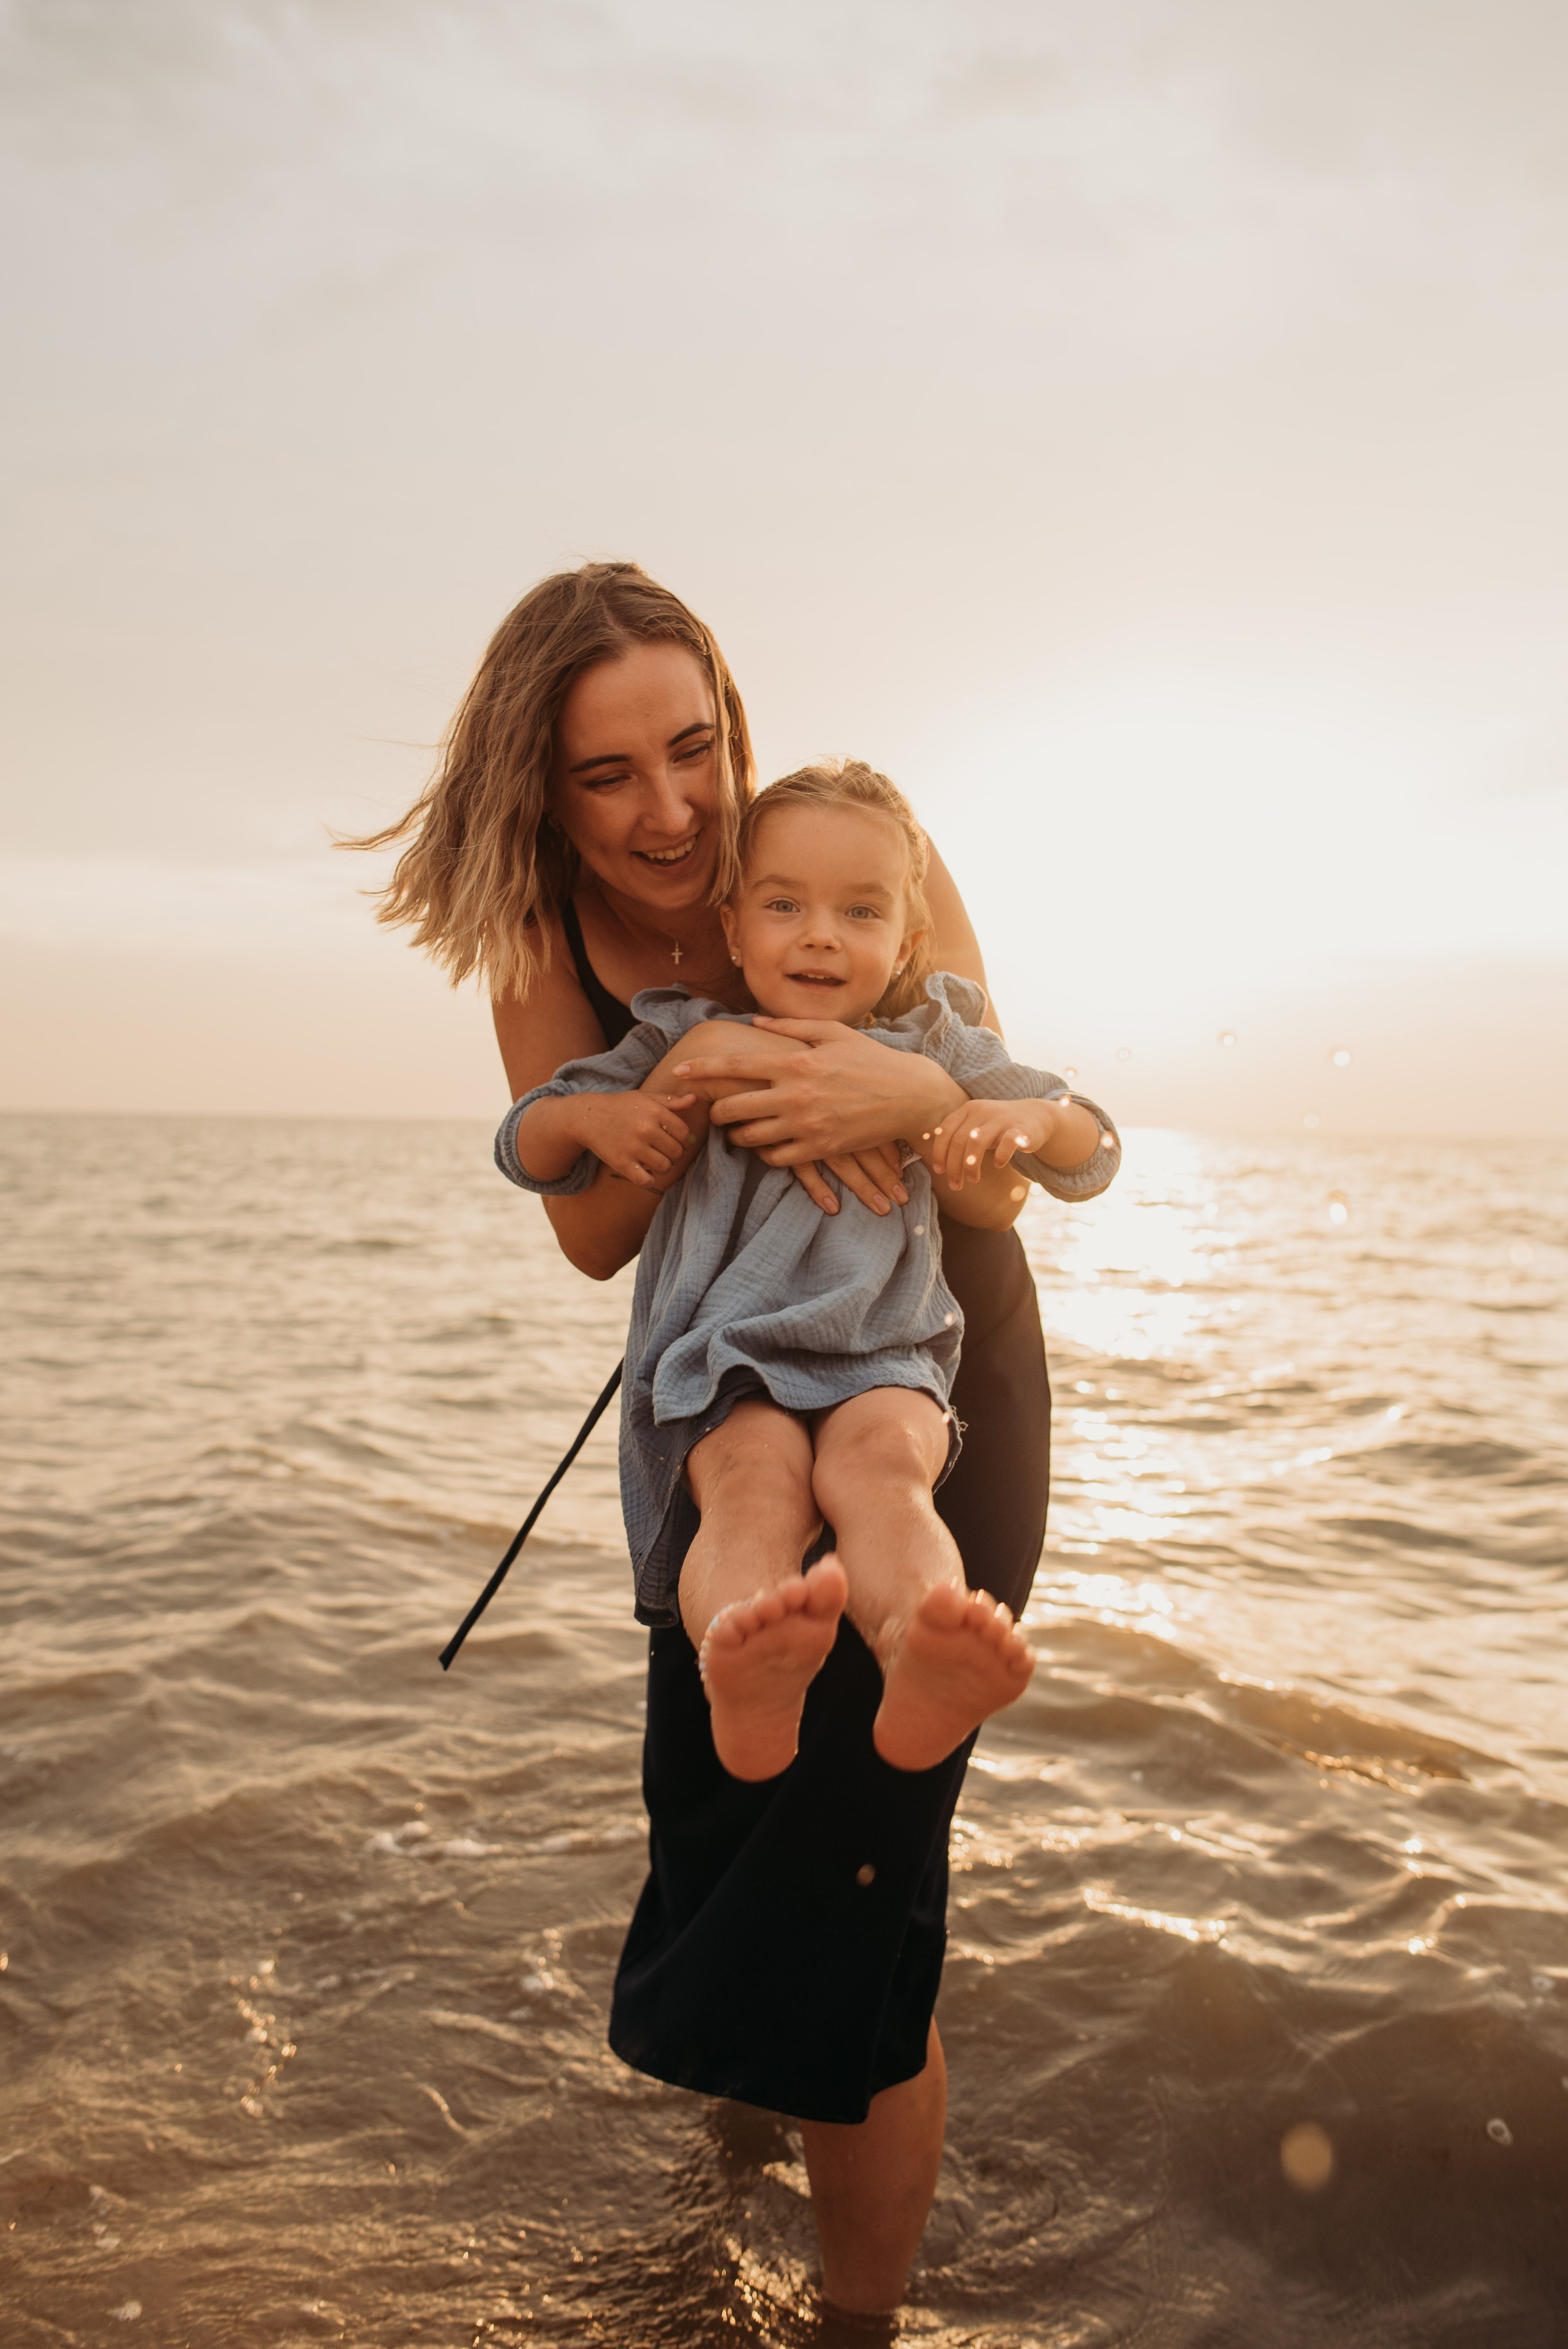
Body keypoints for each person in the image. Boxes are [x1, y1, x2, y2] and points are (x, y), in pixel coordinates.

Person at [353, 560, 1083, 2315]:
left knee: (863, 1886)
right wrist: (682, 1099)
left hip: (929, 1377)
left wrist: (910, 1091)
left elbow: (997, 1153)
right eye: (609, 775)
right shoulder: (546, 945)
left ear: (731, 723)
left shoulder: (850, 844)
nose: (670, 808)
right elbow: (588, 1235)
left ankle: (856, 2319)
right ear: (543, 790)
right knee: (738, 1820)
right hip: (722, 1389)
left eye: (691, 748)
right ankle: (736, 2167)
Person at [493, 761, 1119, 1785]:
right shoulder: (683, 1035)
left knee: (888, 1479)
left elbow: (1088, 1145)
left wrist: (1028, 1118)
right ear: (734, 931)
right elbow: (528, 1139)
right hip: (728, 1360)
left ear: (905, 944)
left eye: (859, 912)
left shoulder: (936, 1041)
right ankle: (743, 1664)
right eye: (785, 906)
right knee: (753, 1490)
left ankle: (919, 1652)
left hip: (885, 1354)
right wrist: (597, 1116)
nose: (821, 935)